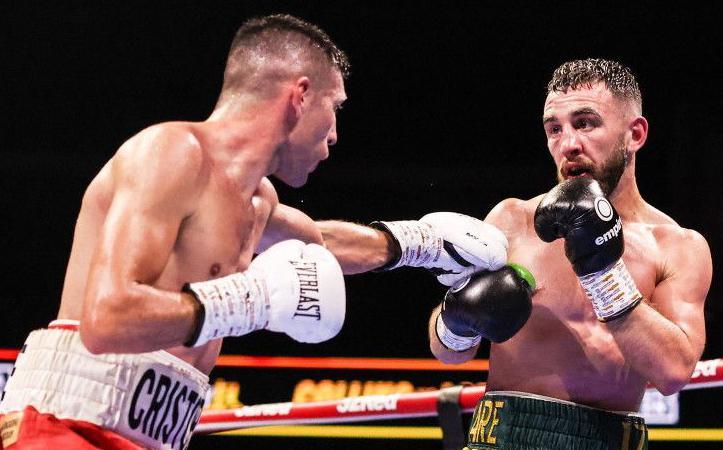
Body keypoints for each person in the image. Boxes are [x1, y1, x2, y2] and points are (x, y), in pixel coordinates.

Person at [0, 14, 509, 450]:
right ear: (301, 96)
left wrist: (421, 243)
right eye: (335, 108)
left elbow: (321, 245)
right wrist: (251, 301)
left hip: (152, 435)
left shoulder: (256, 200)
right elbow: (107, 319)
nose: (334, 134)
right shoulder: (172, 152)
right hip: (65, 425)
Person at [432, 59, 712, 449]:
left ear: (635, 134)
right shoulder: (512, 219)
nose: (568, 145)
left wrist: (602, 271)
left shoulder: (677, 245)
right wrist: (455, 321)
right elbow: (448, 354)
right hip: (503, 434)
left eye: (585, 123)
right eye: (554, 129)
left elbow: (673, 372)